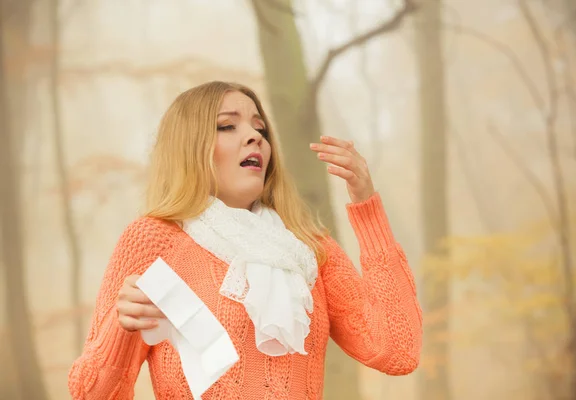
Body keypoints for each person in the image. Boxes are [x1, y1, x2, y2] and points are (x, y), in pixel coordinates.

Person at [68, 81, 422, 399]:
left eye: (260, 128)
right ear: (189, 147)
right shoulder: (153, 239)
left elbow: (398, 350)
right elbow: (91, 395)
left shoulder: (308, 246)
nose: (255, 136)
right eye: (227, 126)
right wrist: (120, 324)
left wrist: (367, 207)